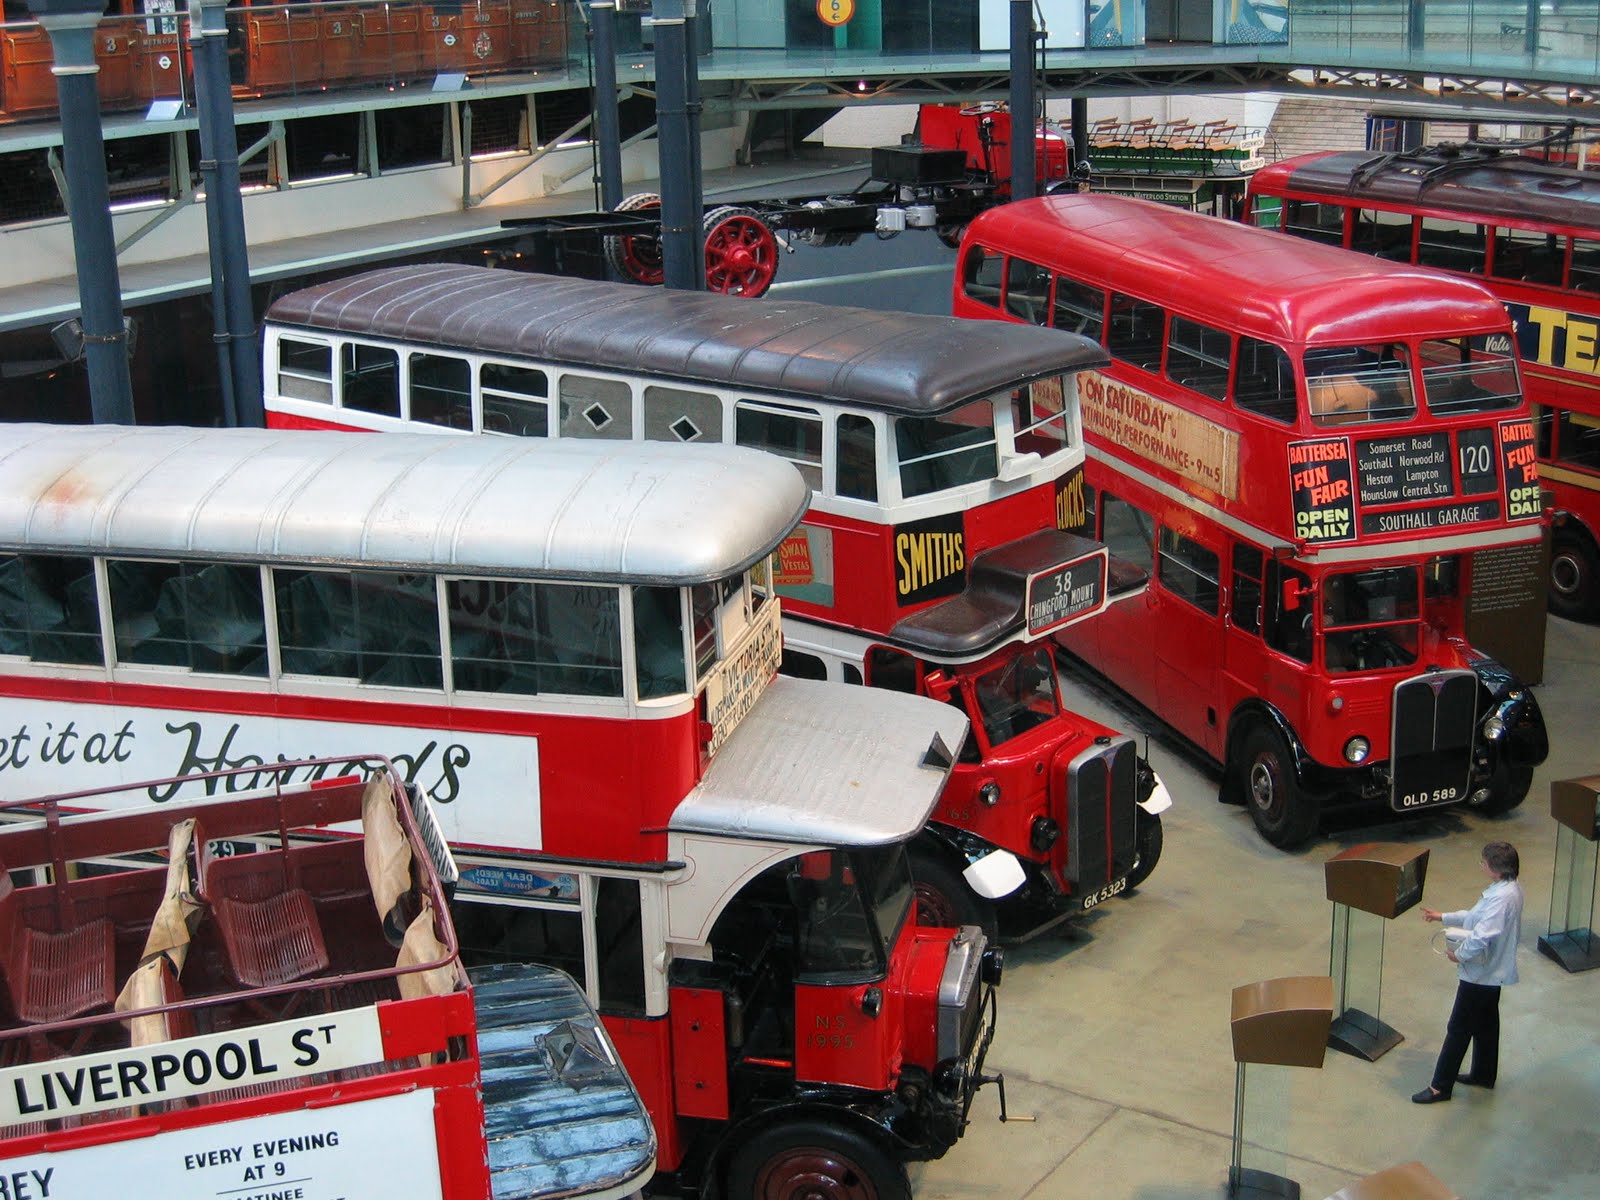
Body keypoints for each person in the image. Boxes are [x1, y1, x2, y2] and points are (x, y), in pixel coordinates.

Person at [1412, 841, 1524, 1104]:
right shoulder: (1508, 890)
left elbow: (1483, 934)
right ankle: (1483, 1074)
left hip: (1481, 974)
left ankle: (1440, 1087)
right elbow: (1476, 917)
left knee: (1458, 1028)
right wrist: (1443, 917)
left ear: (1494, 869)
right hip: (1490, 973)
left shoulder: (1501, 898)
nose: (1482, 866)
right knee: (1486, 1025)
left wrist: (1459, 954)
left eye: (1484, 863)